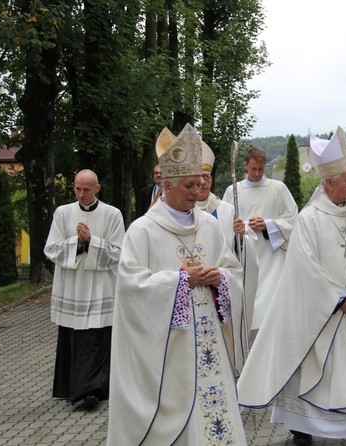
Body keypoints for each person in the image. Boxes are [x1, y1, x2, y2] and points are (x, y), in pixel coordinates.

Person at [237, 127, 346, 446]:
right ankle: (303, 429)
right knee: (312, 365)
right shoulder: (310, 218)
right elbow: (304, 268)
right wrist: (338, 298)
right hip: (325, 310)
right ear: (329, 183)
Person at [106, 123, 247, 445]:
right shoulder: (142, 231)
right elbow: (131, 286)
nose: (198, 192)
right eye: (189, 186)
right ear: (167, 186)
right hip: (171, 347)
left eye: (200, 184)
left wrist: (220, 279)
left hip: (210, 340)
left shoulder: (210, 228)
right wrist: (181, 280)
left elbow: (232, 271)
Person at [44, 169, 125, 410]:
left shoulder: (112, 214)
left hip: (99, 289)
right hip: (72, 288)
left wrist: (92, 241)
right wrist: (77, 243)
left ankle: (93, 391)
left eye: (87, 189)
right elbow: (52, 249)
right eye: (78, 189)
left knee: (96, 339)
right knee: (73, 337)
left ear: (97, 188)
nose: (81, 194)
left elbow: (119, 253)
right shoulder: (63, 213)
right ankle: (72, 388)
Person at [196, 138, 259, 375]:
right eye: (199, 177)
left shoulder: (226, 209)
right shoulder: (184, 212)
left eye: (207, 177)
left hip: (220, 288)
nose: (203, 182)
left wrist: (242, 238)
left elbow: (243, 256)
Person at [222, 146, 298, 330]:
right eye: (253, 169)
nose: (257, 173)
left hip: (272, 258)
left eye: (261, 169)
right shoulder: (233, 191)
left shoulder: (278, 189)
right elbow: (223, 225)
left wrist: (269, 224)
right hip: (245, 256)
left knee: (272, 312)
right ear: (245, 166)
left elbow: (293, 219)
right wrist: (239, 229)